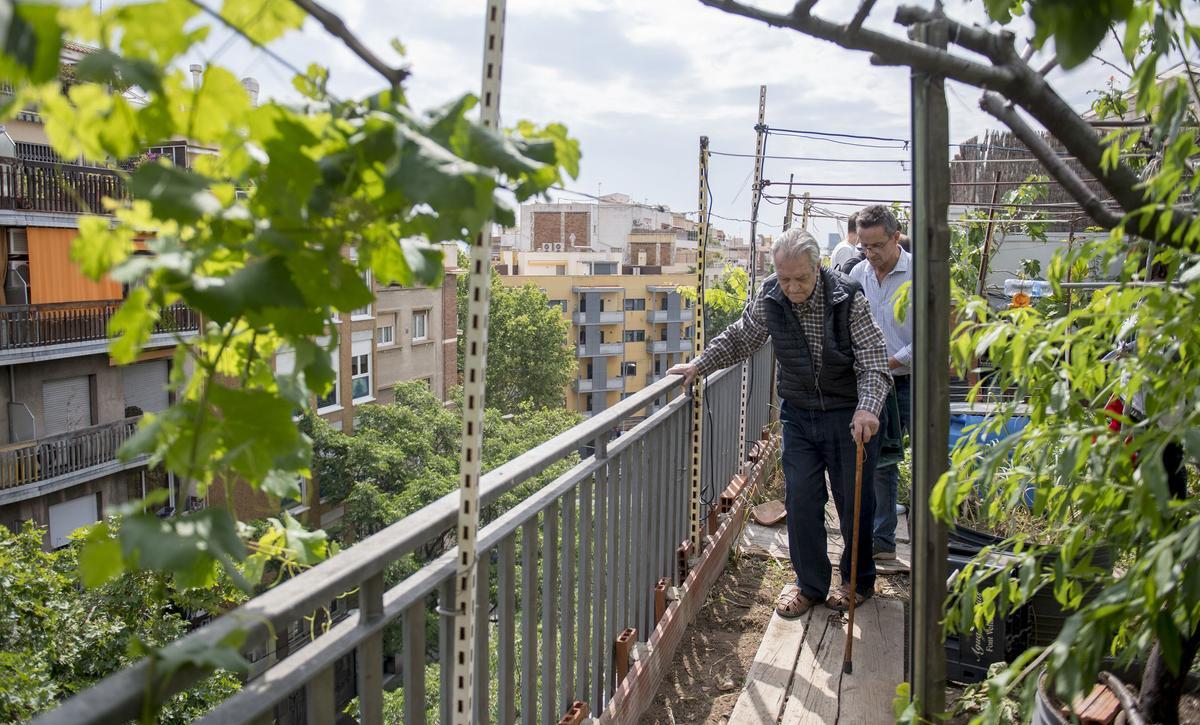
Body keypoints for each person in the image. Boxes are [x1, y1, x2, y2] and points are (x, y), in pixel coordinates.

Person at [668, 229, 891, 617]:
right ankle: (810, 585)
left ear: (817, 267)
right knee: (802, 500)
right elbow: (743, 337)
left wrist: (868, 408)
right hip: (799, 414)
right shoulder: (771, 295)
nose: (791, 287)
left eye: (800, 278)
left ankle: (857, 581)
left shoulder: (847, 296)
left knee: (855, 501)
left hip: (848, 413)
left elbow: (874, 360)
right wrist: (699, 366)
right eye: (784, 278)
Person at [848, 205, 912, 561]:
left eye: (877, 246)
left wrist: (891, 361)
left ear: (895, 236)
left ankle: (930, 532)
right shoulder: (858, 276)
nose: (871, 255)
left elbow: (930, 334)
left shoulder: (917, 275)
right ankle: (883, 539)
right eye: (865, 248)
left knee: (923, 458)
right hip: (873, 385)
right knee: (880, 459)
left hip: (907, 380)